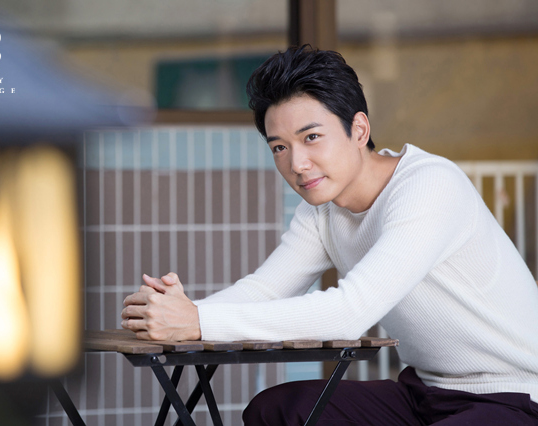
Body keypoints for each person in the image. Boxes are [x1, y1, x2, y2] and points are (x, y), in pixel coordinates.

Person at [121, 45, 538, 425]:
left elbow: (349, 312)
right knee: (279, 409)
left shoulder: (429, 186)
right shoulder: (321, 210)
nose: (297, 164)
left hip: (514, 396)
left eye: (311, 137)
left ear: (359, 130)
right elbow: (266, 290)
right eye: (279, 147)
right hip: (423, 392)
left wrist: (197, 321)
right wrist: (180, 313)